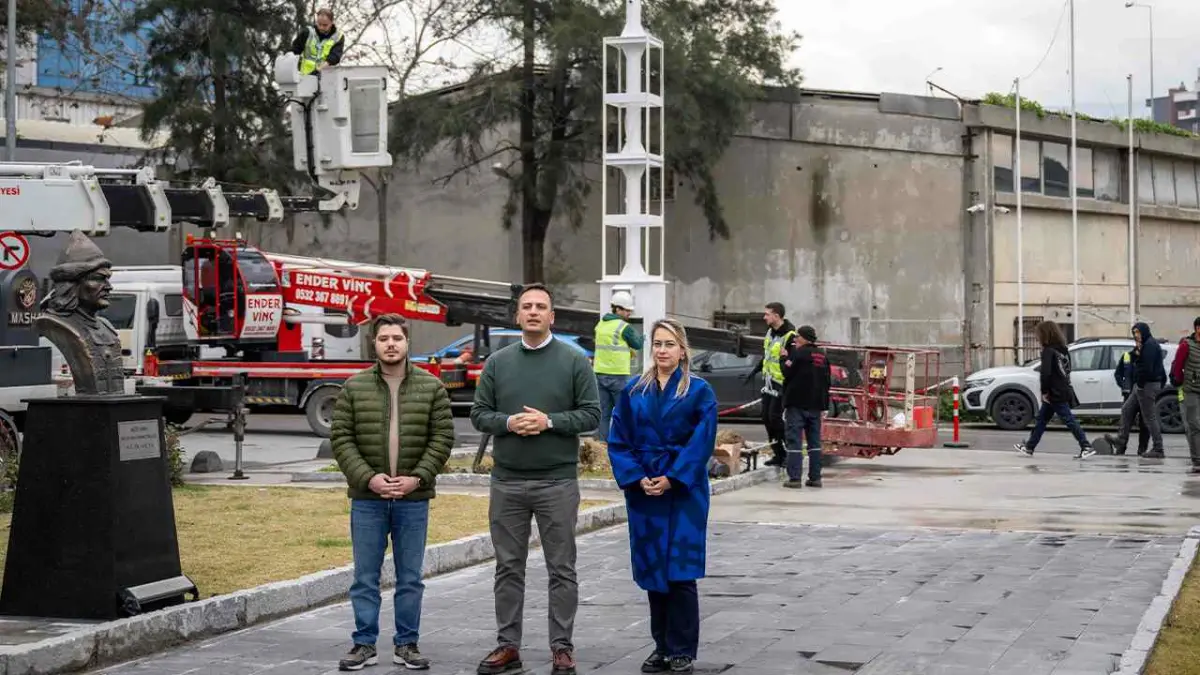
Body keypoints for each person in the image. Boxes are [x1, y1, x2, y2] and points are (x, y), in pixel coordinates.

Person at [469, 283, 602, 675]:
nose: (532, 312)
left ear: (552, 317)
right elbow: (479, 414)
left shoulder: (574, 361)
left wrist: (549, 421)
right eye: (526, 306)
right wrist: (509, 422)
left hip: (557, 482)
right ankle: (507, 646)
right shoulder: (498, 362)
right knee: (508, 566)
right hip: (507, 481)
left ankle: (562, 647)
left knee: (562, 568)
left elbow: (592, 414)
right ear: (517, 316)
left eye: (540, 306)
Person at [330, 314, 456, 672]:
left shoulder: (431, 388)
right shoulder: (354, 388)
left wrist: (418, 478)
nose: (390, 344)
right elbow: (341, 439)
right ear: (374, 343)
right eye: (383, 337)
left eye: (397, 338)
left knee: (410, 577)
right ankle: (363, 644)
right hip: (368, 499)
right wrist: (367, 478)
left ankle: (407, 644)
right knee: (364, 577)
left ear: (407, 342)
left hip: (412, 500)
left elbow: (442, 438)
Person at [606, 318, 717, 675]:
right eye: (657, 343)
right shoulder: (633, 391)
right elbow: (618, 439)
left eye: (669, 344)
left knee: (679, 571)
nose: (663, 350)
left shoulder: (699, 391)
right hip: (645, 490)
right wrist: (638, 477)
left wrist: (672, 478)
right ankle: (662, 646)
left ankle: (682, 648)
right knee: (654, 569)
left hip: (684, 491)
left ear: (683, 350)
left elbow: (702, 442)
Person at [1014, 320, 1095, 459]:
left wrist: (1045, 392)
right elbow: (1067, 369)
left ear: (1045, 334)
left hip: (1053, 392)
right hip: (1063, 389)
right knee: (1042, 419)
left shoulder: (1048, 351)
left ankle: (1086, 445)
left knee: (1068, 419)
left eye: (1038, 334)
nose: (1037, 337)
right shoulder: (1063, 350)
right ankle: (1029, 447)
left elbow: (1046, 374)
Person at [744, 303, 795, 466]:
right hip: (768, 382)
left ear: (777, 316)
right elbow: (767, 356)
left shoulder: (790, 336)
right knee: (766, 418)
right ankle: (778, 454)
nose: (764, 317)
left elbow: (791, 361)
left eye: (767, 314)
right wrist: (756, 370)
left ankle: (790, 452)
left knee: (775, 418)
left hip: (781, 384)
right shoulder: (770, 332)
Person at [1104, 322, 1166, 458]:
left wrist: (1142, 384)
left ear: (1144, 331)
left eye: (1138, 332)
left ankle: (1158, 448)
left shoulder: (1150, 345)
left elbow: (1146, 368)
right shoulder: (1144, 345)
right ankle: (1121, 440)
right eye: (1134, 333)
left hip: (1146, 385)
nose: (1136, 335)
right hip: (1140, 385)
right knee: (1127, 409)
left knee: (1149, 417)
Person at [781, 325, 831, 489]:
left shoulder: (798, 354)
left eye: (797, 337)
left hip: (797, 404)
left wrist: (783, 358)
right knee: (814, 442)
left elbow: (786, 372)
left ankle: (795, 478)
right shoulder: (823, 356)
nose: (795, 340)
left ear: (803, 338)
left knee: (794, 440)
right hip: (816, 405)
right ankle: (815, 477)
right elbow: (827, 381)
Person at [593, 289, 644, 440]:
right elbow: (637, 344)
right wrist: (644, 337)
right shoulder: (623, 327)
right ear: (617, 309)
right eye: (627, 310)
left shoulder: (600, 324)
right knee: (624, 412)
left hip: (600, 374)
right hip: (618, 376)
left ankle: (602, 446)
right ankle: (625, 443)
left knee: (604, 414)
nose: (629, 313)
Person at [1169, 317, 1200, 473]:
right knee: (1194, 425)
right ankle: (1197, 460)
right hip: (1191, 390)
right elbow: (1177, 367)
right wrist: (1182, 381)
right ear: (1197, 328)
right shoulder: (1186, 346)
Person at [1114, 346, 1150, 456]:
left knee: (1144, 425)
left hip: (1144, 396)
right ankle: (1120, 449)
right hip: (1129, 395)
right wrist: (1123, 385)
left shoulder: (1148, 357)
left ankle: (1142, 450)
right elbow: (1117, 374)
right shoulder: (1127, 356)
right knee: (1125, 423)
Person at [291, 7, 345, 75]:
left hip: (327, 78)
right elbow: (294, 51)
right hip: (306, 77)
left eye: (325, 25)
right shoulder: (307, 33)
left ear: (331, 23)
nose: (321, 27)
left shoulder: (338, 37)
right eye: (319, 24)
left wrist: (318, 70)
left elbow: (334, 57)